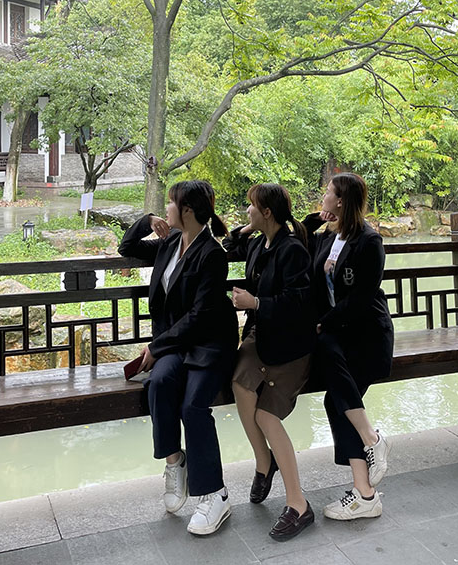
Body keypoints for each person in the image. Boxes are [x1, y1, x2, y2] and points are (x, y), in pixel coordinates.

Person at [118, 180, 238, 536]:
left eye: (171, 203)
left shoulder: (212, 254)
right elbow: (127, 247)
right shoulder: (170, 242)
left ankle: (215, 495)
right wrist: (147, 220)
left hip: (209, 344)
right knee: (158, 383)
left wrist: (156, 347)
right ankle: (175, 462)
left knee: (193, 406)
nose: (167, 208)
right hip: (176, 344)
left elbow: (201, 316)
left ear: (187, 210)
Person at [223, 183, 316, 541]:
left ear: (268, 212)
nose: (246, 210)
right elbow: (227, 244)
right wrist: (248, 228)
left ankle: (298, 505)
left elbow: (299, 303)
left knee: (265, 415)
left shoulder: (292, 250)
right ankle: (265, 461)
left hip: (291, 347)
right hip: (261, 338)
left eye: (252, 207)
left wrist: (257, 303)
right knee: (240, 384)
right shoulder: (256, 243)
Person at [303, 173, 394, 520]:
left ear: (340, 201)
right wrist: (316, 219)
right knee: (334, 398)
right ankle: (366, 482)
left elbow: (361, 298)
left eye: (328, 192)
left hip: (367, 337)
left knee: (334, 396)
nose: (323, 195)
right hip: (337, 336)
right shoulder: (329, 236)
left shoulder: (369, 241)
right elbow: (298, 238)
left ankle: (366, 484)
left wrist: (323, 323)